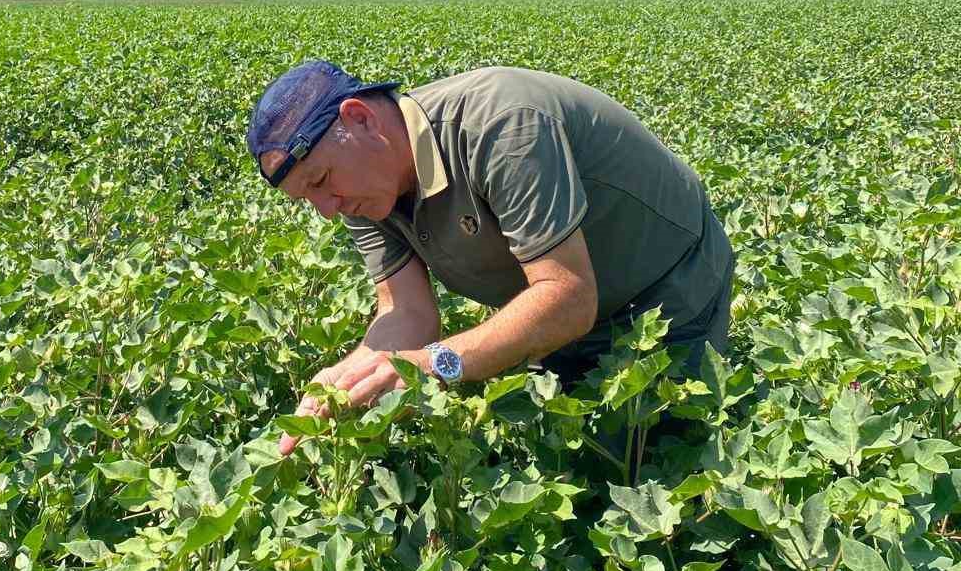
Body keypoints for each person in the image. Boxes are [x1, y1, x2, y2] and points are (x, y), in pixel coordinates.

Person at [246, 59, 734, 454]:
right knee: (564, 462)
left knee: (652, 466)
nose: (327, 210)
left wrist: (436, 363)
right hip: (555, 309)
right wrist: (347, 378)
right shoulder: (361, 189)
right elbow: (406, 312)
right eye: (308, 199)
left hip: (667, 291)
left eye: (321, 181)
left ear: (360, 118)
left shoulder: (501, 124)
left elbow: (568, 298)